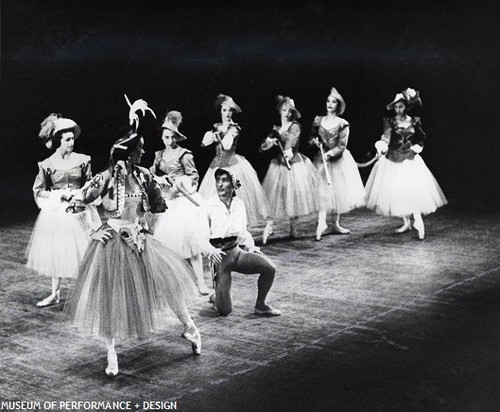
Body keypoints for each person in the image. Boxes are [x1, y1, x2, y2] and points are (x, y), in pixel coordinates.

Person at [65, 121, 201, 377]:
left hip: (139, 240)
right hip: (112, 244)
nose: (143, 153)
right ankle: (111, 352)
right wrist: (93, 230)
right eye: (139, 149)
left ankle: (191, 327)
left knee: (167, 285)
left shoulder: (144, 175)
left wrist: (148, 229)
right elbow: (76, 202)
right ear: (127, 151)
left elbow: (159, 205)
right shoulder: (105, 178)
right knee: (111, 297)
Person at [26, 113, 99, 307]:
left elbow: (89, 184)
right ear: (59, 141)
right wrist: (59, 195)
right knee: (58, 251)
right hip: (58, 211)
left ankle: (87, 294)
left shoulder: (83, 160)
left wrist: (82, 195)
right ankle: (55, 293)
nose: (71, 143)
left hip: (79, 208)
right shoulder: (47, 164)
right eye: (67, 140)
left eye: (73, 139)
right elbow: (38, 191)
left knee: (84, 252)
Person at [365, 88, 447, 239]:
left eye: (401, 106)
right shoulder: (390, 122)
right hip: (394, 159)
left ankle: (418, 221)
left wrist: (418, 147)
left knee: (412, 191)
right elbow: (386, 137)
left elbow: (421, 137)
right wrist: (381, 147)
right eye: (396, 107)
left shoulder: (414, 121)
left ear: (406, 106)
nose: (398, 109)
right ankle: (407, 222)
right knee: (398, 193)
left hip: (410, 158)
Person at [197, 168, 281, 317]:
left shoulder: (239, 204)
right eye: (218, 180)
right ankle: (217, 295)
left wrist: (251, 247)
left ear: (233, 184)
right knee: (225, 312)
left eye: (225, 180)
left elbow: (242, 233)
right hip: (220, 259)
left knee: (270, 268)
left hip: (237, 253)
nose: (220, 184)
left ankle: (261, 305)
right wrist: (211, 251)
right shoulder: (208, 206)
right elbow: (200, 238)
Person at [150, 111, 211, 295]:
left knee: (191, 241)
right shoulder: (159, 155)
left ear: (177, 137)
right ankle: (172, 281)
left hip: (183, 201)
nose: (170, 141)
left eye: (173, 137)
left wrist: (180, 183)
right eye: (166, 137)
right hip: (167, 201)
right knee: (167, 241)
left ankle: (200, 281)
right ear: (162, 137)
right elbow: (152, 174)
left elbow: (194, 176)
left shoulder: (184, 154)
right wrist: (161, 181)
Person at [198, 94, 271, 230]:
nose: (227, 113)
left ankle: (237, 230)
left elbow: (227, 144)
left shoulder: (234, 128)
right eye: (224, 110)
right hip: (217, 165)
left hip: (232, 164)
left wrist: (218, 137)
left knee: (235, 199)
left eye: (230, 110)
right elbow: (203, 143)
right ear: (220, 111)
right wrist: (210, 137)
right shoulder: (215, 127)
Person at [260, 96, 320, 243]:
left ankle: (294, 227)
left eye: (290, 111)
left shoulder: (295, 126)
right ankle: (269, 226)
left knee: (294, 196)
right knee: (274, 197)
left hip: (293, 165)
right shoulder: (276, 129)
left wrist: (288, 151)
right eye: (284, 110)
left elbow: (291, 141)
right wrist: (269, 142)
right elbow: (263, 147)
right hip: (278, 165)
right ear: (280, 110)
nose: (287, 113)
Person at [309, 88, 366, 240]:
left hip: (337, 161)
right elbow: (312, 136)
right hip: (321, 160)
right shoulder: (318, 120)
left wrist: (330, 153)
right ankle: (321, 223)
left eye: (333, 102)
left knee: (337, 192)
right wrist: (314, 141)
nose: (330, 104)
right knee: (323, 192)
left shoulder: (342, 123)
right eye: (328, 101)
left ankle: (335, 223)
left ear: (338, 105)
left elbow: (342, 146)